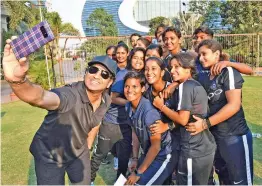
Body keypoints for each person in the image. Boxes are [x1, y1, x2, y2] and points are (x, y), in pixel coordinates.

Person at [3, 37, 117, 185]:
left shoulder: (106, 99)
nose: (96, 75)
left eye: (104, 74)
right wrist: (17, 81)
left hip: (78, 151)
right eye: (93, 69)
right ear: (86, 72)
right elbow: (40, 97)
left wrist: (87, 146)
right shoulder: (70, 95)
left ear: (110, 82)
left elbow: (96, 122)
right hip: (50, 154)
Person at [186, 40, 253, 185]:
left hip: (235, 136)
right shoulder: (202, 75)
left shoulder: (227, 71)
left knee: (240, 182)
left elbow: (234, 106)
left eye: (205, 54)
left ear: (217, 54)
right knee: (224, 179)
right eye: (199, 55)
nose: (201, 58)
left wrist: (205, 124)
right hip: (215, 137)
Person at [153, 52, 216, 185]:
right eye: (171, 67)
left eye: (177, 67)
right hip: (204, 147)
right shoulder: (194, 84)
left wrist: (161, 106)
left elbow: (183, 119)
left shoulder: (185, 86)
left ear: (188, 68)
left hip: (193, 149)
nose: (172, 71)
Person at [90, 43, 132, 183]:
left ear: (127, 54)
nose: (119, 56)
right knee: (99, 155)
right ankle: (87, 180)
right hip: (110, 121)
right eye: (117, 53)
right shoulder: (111, 72)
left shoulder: (131, 72)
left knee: (124, 159)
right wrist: (132, 102)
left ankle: (119, 183)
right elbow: (111, 97)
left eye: (122, 53)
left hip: (126, 124)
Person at [124, 71, 175, 185]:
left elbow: (156, 147)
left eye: (134, 86)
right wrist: (135, 159)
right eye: (126, 86)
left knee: (139, 182)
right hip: (149, 152)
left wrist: (138, 173)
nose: (129, 90)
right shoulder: (128, 106)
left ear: (143, 89)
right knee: (128, 181)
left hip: (164, 154)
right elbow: (135, 133)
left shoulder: (149, 112)